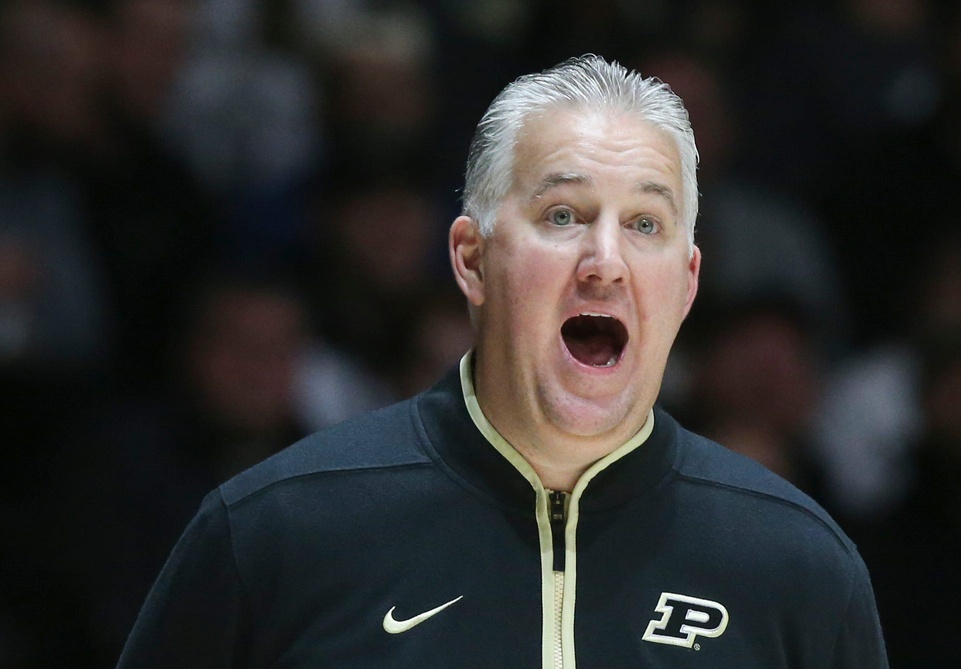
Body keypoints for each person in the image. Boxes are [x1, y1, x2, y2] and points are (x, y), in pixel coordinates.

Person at [117, 55, 888, 668]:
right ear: (472, 259)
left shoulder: (801, 566)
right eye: (563, 214)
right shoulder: (272, 533)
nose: (606, 261)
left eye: (646, 223)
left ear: (686, 283)